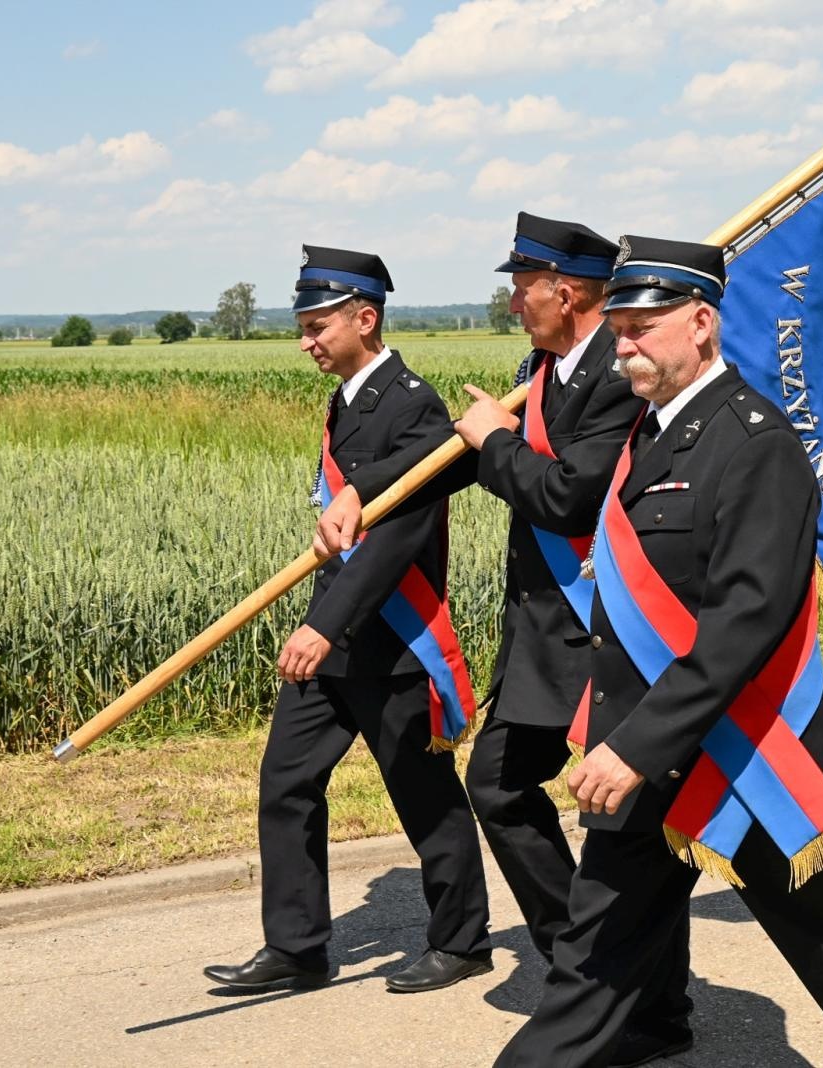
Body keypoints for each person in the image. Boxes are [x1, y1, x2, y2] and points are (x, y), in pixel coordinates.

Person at [492, 235, 823, 1068]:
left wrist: (633, 746)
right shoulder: (647, 436)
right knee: (590, 967)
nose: (624, 346)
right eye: (617, 328)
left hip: (745, 754)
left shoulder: (755, 442)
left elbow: (747, 619)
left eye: (642, 328)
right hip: (647, 758)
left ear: (701, 323)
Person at [316, 215, 693, 1063]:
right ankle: (596, 970)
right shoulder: (546, 368)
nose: (512, 296)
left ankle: (636, 1000)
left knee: (617, 818)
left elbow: (566, 495)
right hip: (546, 633)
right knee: (505, 785)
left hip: (607, 628)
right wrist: (363, 494)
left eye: (522, 283)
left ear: (565, 290)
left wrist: (492, 442)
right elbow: (455, 455)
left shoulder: (618, 375)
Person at [203, 245, 492, 994]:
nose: (305, 341)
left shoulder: (413, 403)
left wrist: (323, 625)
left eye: (316, 324)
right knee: (286, 782)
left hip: (392, 641)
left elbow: (398, 536)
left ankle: (462, 941)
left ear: (365, 318)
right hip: (335, 638)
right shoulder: (351, 398)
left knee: (423, 795)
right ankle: (297, 949)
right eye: (301, 325)